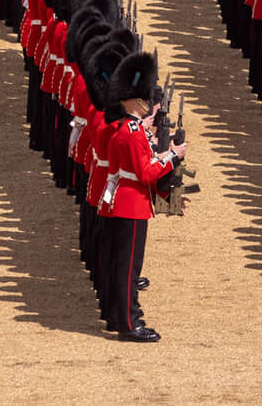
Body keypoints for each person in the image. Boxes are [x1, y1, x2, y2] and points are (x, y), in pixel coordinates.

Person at [97, 51, 184, 342]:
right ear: (133, 100)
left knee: (120, 265)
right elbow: (146, 174)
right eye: (144, 99)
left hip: (122, 199)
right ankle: (129, 322)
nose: (148, 105)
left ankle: (117, 315)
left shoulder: (125, 128)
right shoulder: (132, 131)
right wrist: (172, 156)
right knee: (128, 268)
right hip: (132, 204)